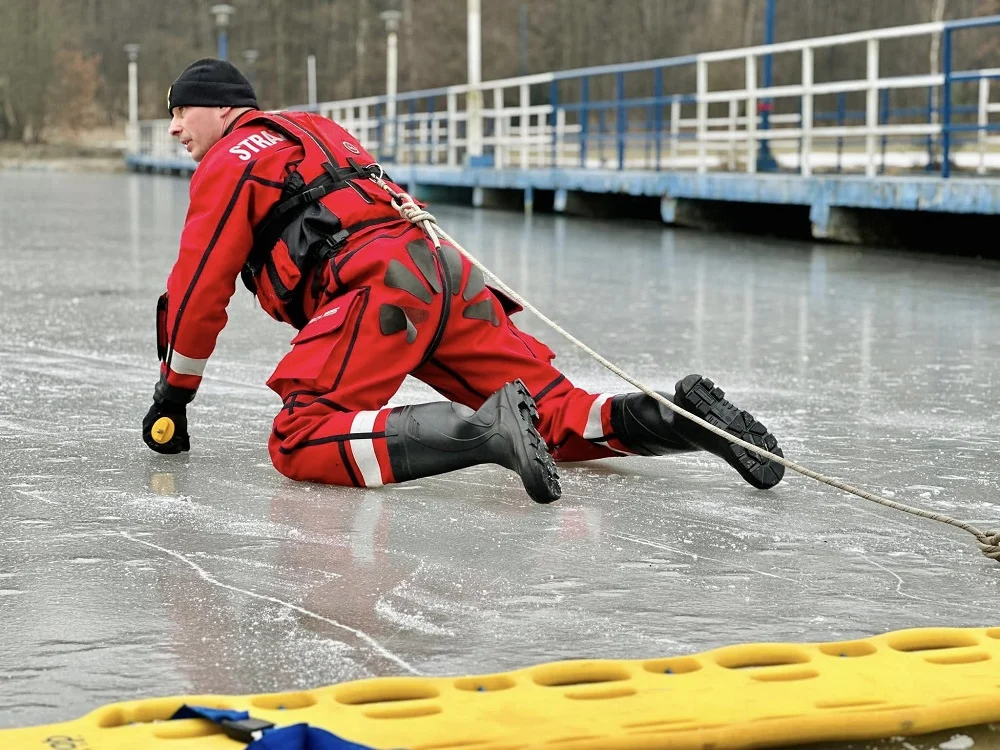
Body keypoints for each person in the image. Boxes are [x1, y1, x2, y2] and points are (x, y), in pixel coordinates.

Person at [142, 58, 785, 504]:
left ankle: (485, 433)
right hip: (449, 274)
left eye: (180, 112)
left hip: (378, 287)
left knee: (301, 437)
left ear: (221, 109)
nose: (174, 128)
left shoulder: (230, 159)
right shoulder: (318, 129)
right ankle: (686, 420)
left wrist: (174, 395)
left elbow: (199, 289)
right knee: (554, 415)